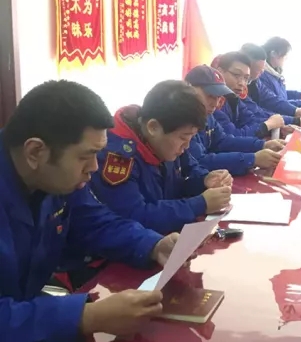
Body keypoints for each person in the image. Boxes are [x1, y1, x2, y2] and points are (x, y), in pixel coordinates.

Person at [0, 80, 181, 342]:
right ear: (35, 151)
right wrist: (86, 318)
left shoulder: (53, 178)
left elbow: (94, 221)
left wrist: (153, 245)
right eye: (86, 156)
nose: (94, 167)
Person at [90, 80, 233, 235]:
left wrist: (205, 180)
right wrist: (199, 204)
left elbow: (188, 172)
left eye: (191, 137)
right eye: (183, 137)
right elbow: (135, 216)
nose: (186, 146)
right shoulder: (119, 158)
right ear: (153, 127)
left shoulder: (167, 143)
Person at [185, 65, 284, 175]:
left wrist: (262, 145)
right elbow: (200, 161)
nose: (215, 104)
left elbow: (223, 141)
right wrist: (252, 159)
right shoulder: (182, 121)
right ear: (189, 89)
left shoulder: (207, 115)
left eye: (218, 97)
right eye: (210, 96)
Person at [213, 51, 301, 137]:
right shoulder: (214, 101)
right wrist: (268, 126)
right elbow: (230, 138)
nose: (242, 83)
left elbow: (251, 119)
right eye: (236, 75)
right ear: (219, 72)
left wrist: (279, 127)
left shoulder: (234, 95)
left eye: (245, 78)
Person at [254, 37, 301, 117]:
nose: (285, 58)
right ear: (274, 54)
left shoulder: (275, 73)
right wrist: (300, 104)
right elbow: (273, 103)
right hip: (274, 117)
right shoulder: (262, 75)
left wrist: (299, 95)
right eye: (285, 55)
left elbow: (281, 94)